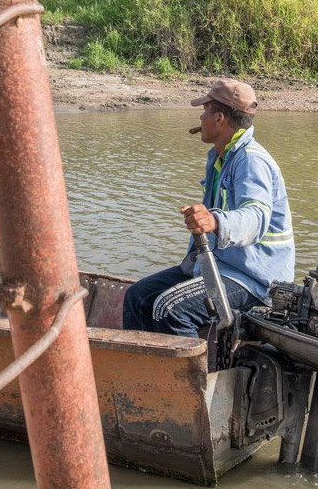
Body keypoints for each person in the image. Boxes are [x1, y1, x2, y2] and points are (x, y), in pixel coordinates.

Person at [122, 78, 295, 337]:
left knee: (170, 309)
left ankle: (191, 378)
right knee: (138, 297)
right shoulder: (221, 155)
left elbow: (256, 216)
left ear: (219, 119)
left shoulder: (251, 161)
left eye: (205, 111)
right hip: (221, 266)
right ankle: (144, 372)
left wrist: (215, 222)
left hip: (254, 280)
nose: (201, 117)